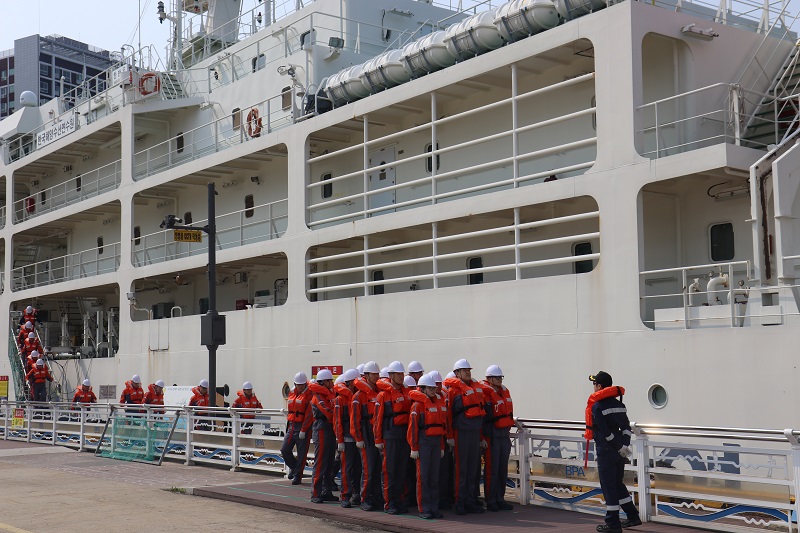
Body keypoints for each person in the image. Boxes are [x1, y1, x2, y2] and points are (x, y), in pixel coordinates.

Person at [588, 371, 641, 533]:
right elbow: (626, 428)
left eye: (594, 384)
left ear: (599, 386)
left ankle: (613, 524)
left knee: (608, 487)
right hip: (620, 453)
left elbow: (604, 431)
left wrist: (618, 446)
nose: (593, 387)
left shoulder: (597, 407)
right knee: (617, 484)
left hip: (606, 451)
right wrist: (623, 446)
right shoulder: (620, 406)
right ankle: (632, 516)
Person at [444, 358, 486, 515]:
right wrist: (449, 436)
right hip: (460, 432)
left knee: (472, 469)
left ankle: (470, 500)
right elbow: (448, 415)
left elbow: (479, 415)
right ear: (457, 373)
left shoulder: (476, 389)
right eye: (465, 370)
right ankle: (460, 501)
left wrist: (481, 437)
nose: (468, 372)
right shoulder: (453, 391)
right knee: (461, 469)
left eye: (469, 370)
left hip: (474, 432)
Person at [407, 373, 448, 519]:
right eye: (430, 388)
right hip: (423, 444)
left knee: (434, 477)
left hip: (436, 443)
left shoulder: (437, 404)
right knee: (423, 477)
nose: (433, 390)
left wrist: (442, 446)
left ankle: (433, 507)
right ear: (422, 389)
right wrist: (414, 448)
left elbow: (441, 427)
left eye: (434, 388)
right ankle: (424, 508)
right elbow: (413, 428)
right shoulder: (417, 406)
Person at [374, 360, 412, 514]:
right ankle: (389, 503)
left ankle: (399, 500)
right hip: (390, 436)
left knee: (401, 470)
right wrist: (378, 440)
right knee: (389, 471)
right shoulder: (383, 395)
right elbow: (378, 419)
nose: (401, 377)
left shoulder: (406, 392)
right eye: (398, 374)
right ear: (390, 376)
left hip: (403, 436)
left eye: (402, 374)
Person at [351, 360, 383, 511]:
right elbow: (355, 419)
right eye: (374, 374)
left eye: (377, 374)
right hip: (366, 436)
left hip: (376, 435)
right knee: (368, 469)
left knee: (377, 468)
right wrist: (358, 438)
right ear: (367, 375)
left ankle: (376, 497)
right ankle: (364, 498)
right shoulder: (358, 396)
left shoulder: (379, 393)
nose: (377, 377)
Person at [482, 365, 514, 511]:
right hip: (492, 436)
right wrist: (482, 438)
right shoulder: (485, 393)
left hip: (504, 435)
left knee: (502, 470)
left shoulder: (504, 392)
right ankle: (491, 500)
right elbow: (483, 418)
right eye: (497, 377)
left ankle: (500, 498)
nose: (500, 380)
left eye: (501, 377)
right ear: (489, 379)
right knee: (492, 470)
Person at [309, 369, 337, 503]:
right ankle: (315, 492)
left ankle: (326, 491)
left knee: (329, 461)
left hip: (329, 429)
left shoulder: (328, 395)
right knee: (320, 461)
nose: (332, 383)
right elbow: (329, 413)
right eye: (329, 380)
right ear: (323, 382)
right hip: (321, 429)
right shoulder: (318, 397)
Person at [334, 368, 361, 507]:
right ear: (350, 383)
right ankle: (345, 496)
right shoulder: (340, 399)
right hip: (347, 439)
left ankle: (357, 494)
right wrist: (340, 440)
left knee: (358, 468)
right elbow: (337, 421)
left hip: (359, 440)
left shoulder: (358, 397)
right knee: (347, 468)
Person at [281, 372, 313, 485]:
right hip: (292, 425)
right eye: (298, 384)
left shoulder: (309, 395)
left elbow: (309, 415)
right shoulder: (292, 393)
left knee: (302, 453)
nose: (300, 386)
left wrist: (304, 430)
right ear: (295, 384)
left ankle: (298, 476)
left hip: (303, 427)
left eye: (302, 384)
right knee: (284, 450)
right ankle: (295, 469)